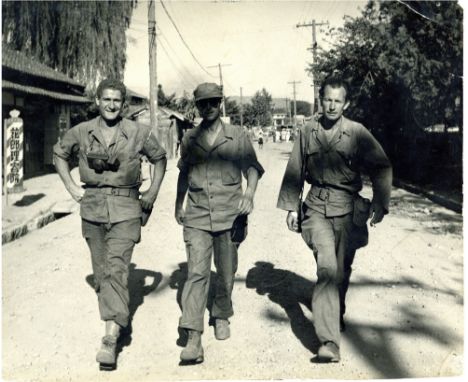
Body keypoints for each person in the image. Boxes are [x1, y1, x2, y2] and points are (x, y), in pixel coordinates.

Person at [277, 76, 392, 363]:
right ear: (320, 99)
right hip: (316, 208)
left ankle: (334, 311)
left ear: (346, 103)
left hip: (349, 210)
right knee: (327, 268)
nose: (332, 105)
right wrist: (292, 207)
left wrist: (380, 202)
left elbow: (381, 166)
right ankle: (329, 341)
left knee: (341, 269)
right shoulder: (307, 131)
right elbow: (295, 170)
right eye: (327, 99)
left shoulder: (357, 132)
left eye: (338, 100)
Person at [53, 79, 167, 369]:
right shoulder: (82, 131)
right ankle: (119, 315)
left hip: (127, 209)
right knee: (102, 272)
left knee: (117, 268)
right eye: (107, 100)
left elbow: (160, 158)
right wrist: (72, 188)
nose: (112, 105)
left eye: (117, 100)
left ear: (123, 103)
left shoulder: (138, 132)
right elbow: (59, 154)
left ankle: (110, 338)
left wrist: (151, 193)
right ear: (98, 101)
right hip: (91, 209)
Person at [175, 82, 264, 364]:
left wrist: (249, 194)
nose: (209, 108)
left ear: (221, 103)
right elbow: (183, 173)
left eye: (214, 102)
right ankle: (193, 336)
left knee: (226, 273)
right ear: (197, 107)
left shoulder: (237, 135)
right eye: (203, 103)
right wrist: (179, 204)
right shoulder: (190, 138)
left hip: (230, 215)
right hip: (198, 215)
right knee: (197, 273)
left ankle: (221, 313)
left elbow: (252, 168)